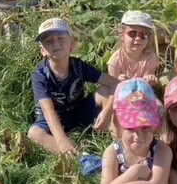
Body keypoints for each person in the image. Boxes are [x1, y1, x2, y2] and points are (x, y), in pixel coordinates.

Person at [28, 17, 119, 154]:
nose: (56, 44)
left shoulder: (79, 66)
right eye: (49, 41)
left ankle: (119, 144)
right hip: (52, 120)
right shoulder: (40, 74)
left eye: (60, 38)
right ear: (43, 51)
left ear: (72, 43)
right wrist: (61, 141)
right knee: (34, 133)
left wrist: (108, 111)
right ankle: (78, 156)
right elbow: (48, 110)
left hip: (78, 112)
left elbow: (115, 83)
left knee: (105, 92)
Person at [107, 11, 159, 86]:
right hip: (121, 92)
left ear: (148, 38)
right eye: (132, 34)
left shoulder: (150, 58)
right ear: (122, 35)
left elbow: (145, 87)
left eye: (143, 35)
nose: (138, 38)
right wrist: (118, 82)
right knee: (103, 90)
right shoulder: (116, 60)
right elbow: (111, 86)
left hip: (142, 91)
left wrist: (150, 79)